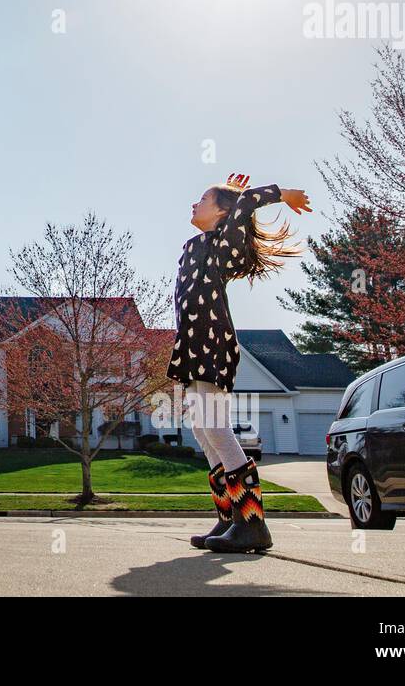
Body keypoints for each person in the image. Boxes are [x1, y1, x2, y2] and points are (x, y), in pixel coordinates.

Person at [169, 174, 311, 553]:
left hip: (212, 343)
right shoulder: (200, 244)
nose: (193, 204)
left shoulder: (221, 246)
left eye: (201, 198)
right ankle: (230, 518)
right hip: (193, 347)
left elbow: (245, 203)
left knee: (216, 427)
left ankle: (253, 524)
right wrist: (229, 194)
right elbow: (238, 204)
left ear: (222, 213)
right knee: (202, 430)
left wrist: (281, 194)